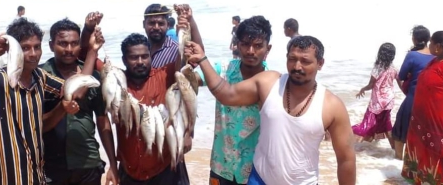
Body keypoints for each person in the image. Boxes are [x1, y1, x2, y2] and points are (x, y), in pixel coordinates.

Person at [0, 18, 103, 184]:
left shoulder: (39, 77)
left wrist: (92, 51)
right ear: (12, 50)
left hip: (35, 177)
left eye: (37, 47)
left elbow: (76, 89)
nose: (33, 54)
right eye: (25, 48)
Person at [186, 36, 356, 185]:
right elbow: (227, 94)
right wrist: (203, 59)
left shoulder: (332, 105)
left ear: (320, 64)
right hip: (259, 180)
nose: (297, 66)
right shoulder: (269, 83)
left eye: (305, 61)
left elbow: (346, 159)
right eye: (292, 59)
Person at [40, 18, 118, 185]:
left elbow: (103, 122)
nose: (69, 49)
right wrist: (92, 51)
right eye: (63, 43)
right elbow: (76, 92)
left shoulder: (95, 77)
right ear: (51, 45)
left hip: (87, 163)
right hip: (50, 165)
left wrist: (113, 164)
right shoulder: (40, 77)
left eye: (74, 43)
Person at [116, 33, 189, 185]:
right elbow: (85, 55)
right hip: (129, 170)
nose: (140, 62)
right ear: (124, 60)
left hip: (166, 168)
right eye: (134, 57)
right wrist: (90, 31)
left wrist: (187, 26)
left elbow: (186, 56)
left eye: (145, 56)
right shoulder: (116, 82)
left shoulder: (165, 75)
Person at [209, 16, 272, 185]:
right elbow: (190, 78)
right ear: (237, 45)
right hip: (221, 165)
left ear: (268, 48)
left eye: (258, 46)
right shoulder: (221, 70)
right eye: (245, 44)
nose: (251, 51)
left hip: (256, 171)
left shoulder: (273, 84)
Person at [402, 31, 443, 184]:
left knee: (439, 151)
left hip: (439, 123)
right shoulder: (434, 61)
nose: (428, 45)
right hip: (421, 121)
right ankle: (420, 179)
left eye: (431, 43)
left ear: (438, 47)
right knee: (421, 150)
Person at [392, 25, 434, 159]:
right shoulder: (437, 55)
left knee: (401, 127)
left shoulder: (412, 55)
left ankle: (398, 159)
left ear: (414, 39)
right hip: (431, 100)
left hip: (413, 97)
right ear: (428, 39)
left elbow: (402, 76)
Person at [352, 43, 401, 146]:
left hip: (377, 102)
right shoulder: (395, 68)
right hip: (389, 101)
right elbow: (401, 83)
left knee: (366, 125)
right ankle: (394, 150)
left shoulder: (377, 68)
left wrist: (363, 89)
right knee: (386, 124)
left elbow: (371, 85)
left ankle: (355, 146)